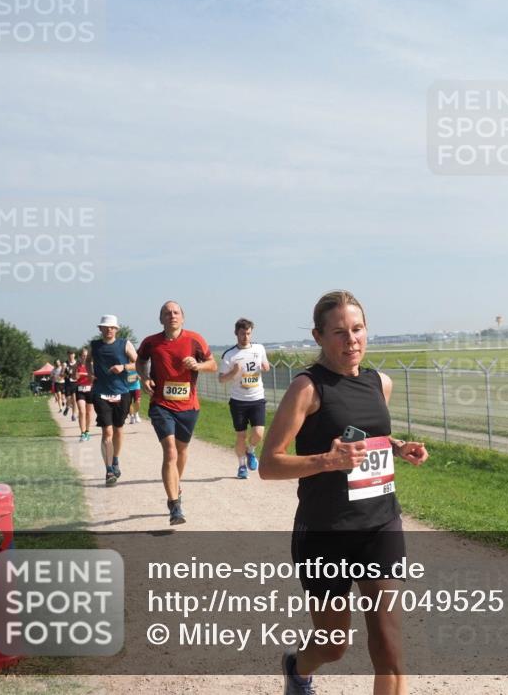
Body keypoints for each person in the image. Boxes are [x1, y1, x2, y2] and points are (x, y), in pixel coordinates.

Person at [259, 291, 428, 695]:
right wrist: (326, 462)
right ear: (318, 336)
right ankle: (297, 667)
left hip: (380, 523)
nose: (351, 339)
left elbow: (371, 437)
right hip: (325, 531)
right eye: (339, 332)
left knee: (389, 648)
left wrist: (397, 447)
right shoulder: (307, 388)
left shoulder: (379, 382)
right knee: (334, 646)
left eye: (357, 329)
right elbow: (269, 464)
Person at [136, 300, 216, 525]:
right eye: (167, 313)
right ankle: (175, 505)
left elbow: (213, 364)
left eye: (176, 312)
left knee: (181, 452)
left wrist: (198, 366)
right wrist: (145, 378)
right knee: (170, 452)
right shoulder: (151, 342)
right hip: (161, 405)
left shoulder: (194, 339)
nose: (172, 315)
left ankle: (175, 485)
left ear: (183, 317)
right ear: (160, 319)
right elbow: (141, 362)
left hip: (188, 406)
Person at [218, 318, 271, 479]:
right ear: (236, 334)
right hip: (238, 401)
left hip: (257, 398)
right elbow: (221, 379)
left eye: (248, 333)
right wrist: (233, 373)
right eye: (242, 334)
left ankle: (251, 451)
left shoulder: (259, 348)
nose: (245, 337)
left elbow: (265, 365)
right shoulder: (230, 355)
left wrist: (266, 367)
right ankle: (242, 466)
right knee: (241, 435)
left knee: (259, 433)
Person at [90, 315, 137, 486]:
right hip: (101, 393)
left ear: (116, 329)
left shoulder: (124, 344)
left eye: (112, 327)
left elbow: (138, 362)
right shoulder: (94, 345)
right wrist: (90, 373)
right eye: (106, 327)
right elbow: (88, 360)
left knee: (118, 429)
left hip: (122, 392)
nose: (109, 329)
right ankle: (109, 470)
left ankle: (115, 459)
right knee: (107, 432)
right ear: (100, 329)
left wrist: (123, 367)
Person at [75, 348, 95, 441]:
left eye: (86, 355)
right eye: (83, 355)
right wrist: (86, 375)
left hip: (90, 389)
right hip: (80, 390)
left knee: (89, 412)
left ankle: (87, 431)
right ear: (80, 356)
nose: (85, 357)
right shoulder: (77, 365)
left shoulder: (91, 365)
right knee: (82, 412)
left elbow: (94, 378)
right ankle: (82, 433)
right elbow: (75, 377)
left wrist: (85, 375)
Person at [63, 351, 78, 421]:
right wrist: (66, 373)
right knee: (68, 399)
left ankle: (74, 415)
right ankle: (67, 406)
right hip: (68, 384)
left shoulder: (77, 363)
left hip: (75, 383)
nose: (70, 356)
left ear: (74, 355)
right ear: (67, 356)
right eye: (69, 355)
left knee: (74, 400)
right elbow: (61, 375)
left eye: (72, 354)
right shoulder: (65, 364)